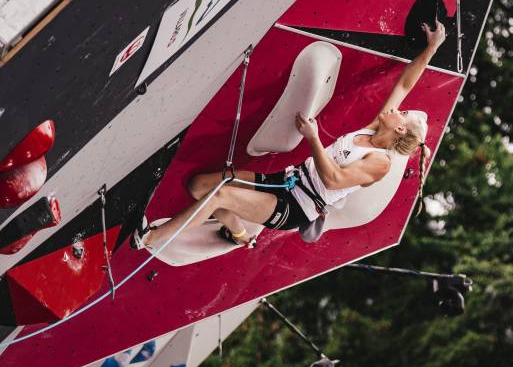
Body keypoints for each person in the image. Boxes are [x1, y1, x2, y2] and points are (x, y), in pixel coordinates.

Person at [132, 21, 446, 250]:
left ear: (400, 129)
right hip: (286, 180)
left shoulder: (380, 163)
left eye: (402, 113)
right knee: (199, 186)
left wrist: (313, 137)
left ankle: (149, 239)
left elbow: (334, 180)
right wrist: (431, 48)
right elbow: (404, 84)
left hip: (296, 206)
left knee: (219, 195)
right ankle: (240, 235)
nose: (397, 110)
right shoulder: (377, 127)